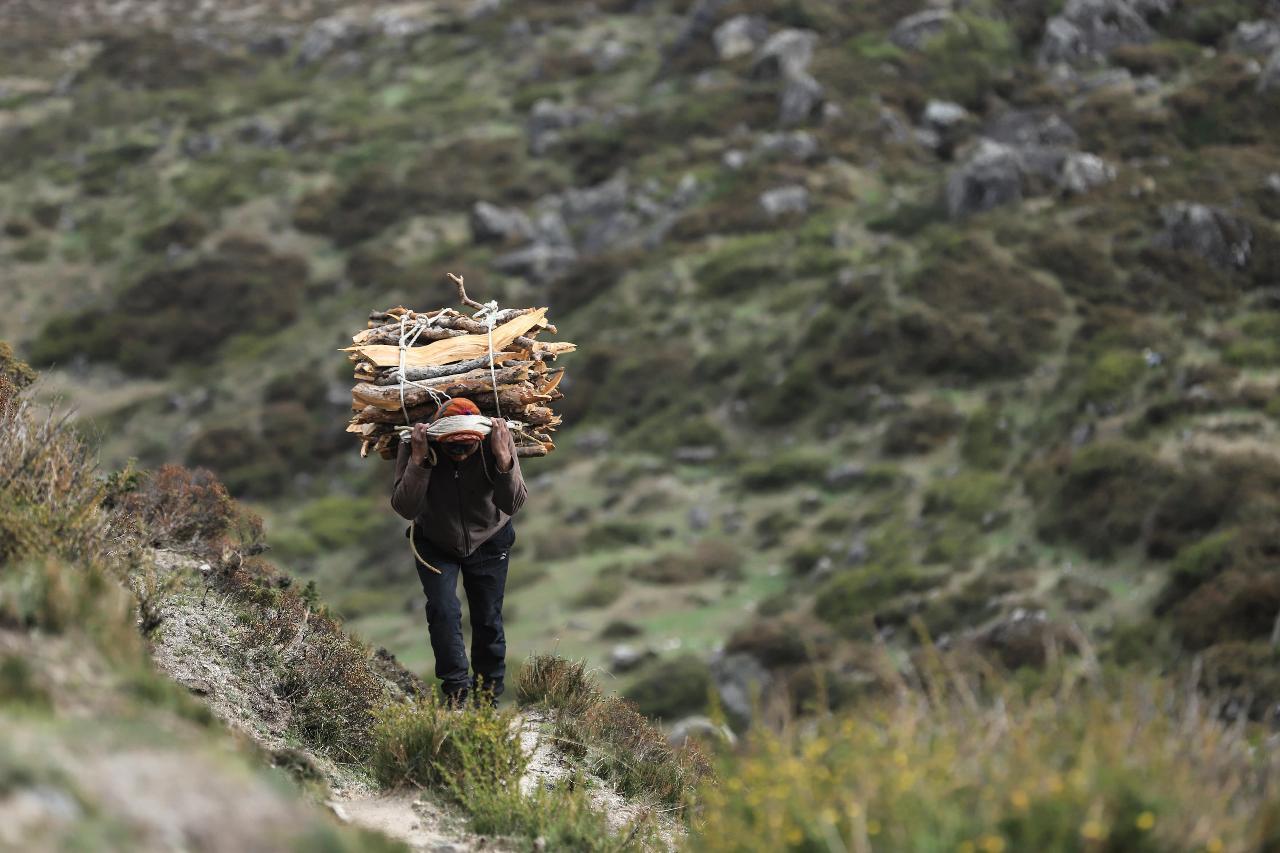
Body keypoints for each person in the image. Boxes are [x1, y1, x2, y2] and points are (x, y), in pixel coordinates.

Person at [390, 397, 527, 707]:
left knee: (488, 617)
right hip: (433, 541)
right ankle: (457, 694)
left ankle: (488, 699)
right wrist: (419, 461)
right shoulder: (415, 443)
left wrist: (503, 458)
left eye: (468, 447)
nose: (462, 454)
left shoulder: (496, 438)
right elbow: (405, 507)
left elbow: (513, 503)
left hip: (490, 539)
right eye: (454, 448)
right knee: (443, 611)